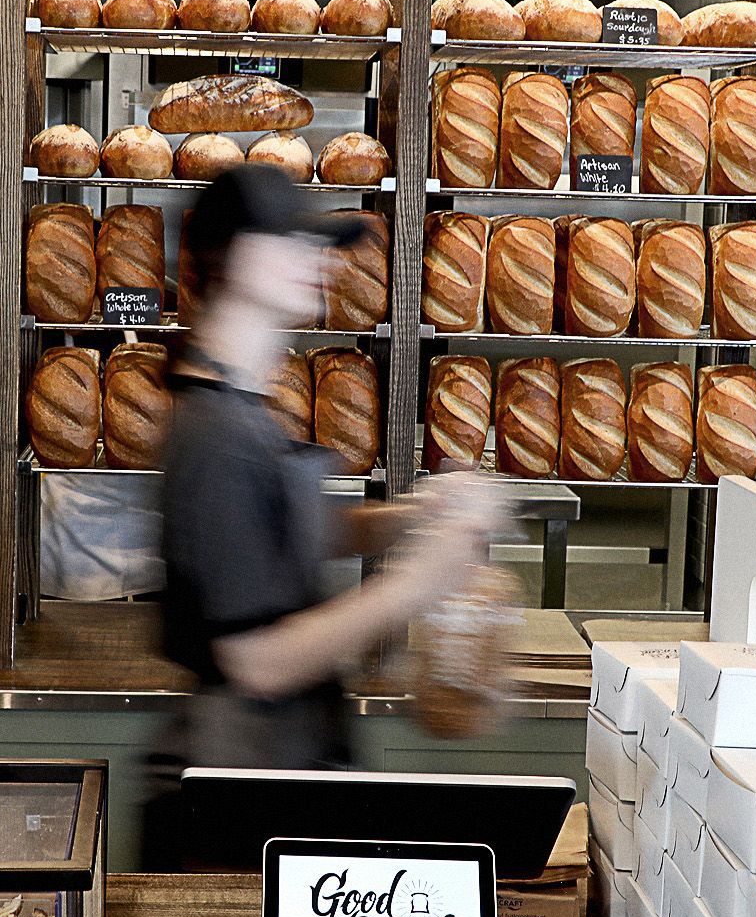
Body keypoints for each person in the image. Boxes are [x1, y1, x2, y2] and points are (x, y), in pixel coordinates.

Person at [144, 165, 502, 863]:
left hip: (278, 766)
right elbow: (256, 660)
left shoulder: (243, 403)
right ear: (235, 256)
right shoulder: (215, 432)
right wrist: (414, 585)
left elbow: (277, 538)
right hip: (239, 788)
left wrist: (410, 517)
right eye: (297, 242)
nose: (323, 261)